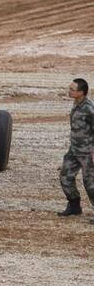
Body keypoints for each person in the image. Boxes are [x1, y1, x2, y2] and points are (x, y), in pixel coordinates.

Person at [58, 78, 94, 218]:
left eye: (72, 89)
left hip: (87, 153)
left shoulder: (89, 108)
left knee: (90, 183)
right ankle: (74, 205)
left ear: (81, 92)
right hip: (74, 150)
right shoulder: (76, 103)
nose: (69, 91)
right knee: (65, 177)